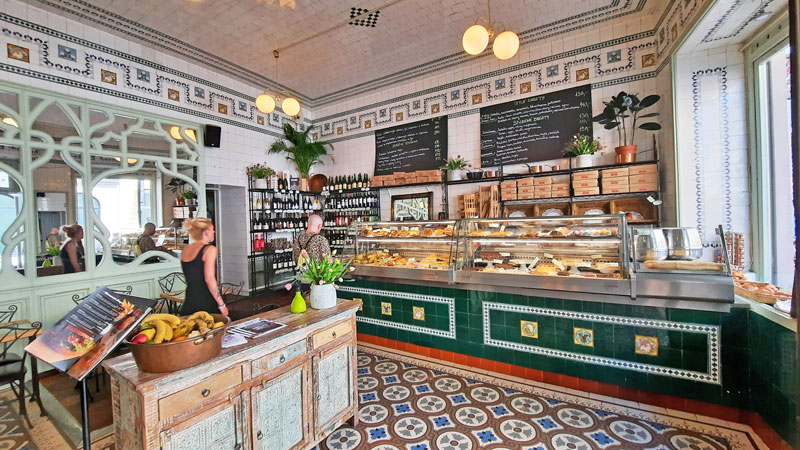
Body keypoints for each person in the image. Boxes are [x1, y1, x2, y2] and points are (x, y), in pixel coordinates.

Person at [180, 218, 228, 316]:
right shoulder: (210, 250)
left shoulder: (186, 249)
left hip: (189, 300)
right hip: (206, 301)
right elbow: (209, 279)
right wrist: (221, 304)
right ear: (206, 232)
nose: (214, 232)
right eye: (212, 229)